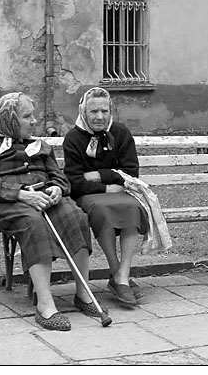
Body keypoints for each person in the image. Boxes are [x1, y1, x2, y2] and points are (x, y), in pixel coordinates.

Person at [0, 92, 111, 331]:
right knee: (33, 222)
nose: (34, 121)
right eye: (27, 116)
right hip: (4, 202)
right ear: (9, 120)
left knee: (75, 216)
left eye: (33, 115)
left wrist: (57, 188)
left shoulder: (39, 145)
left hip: (43, 197)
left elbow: (60, 177)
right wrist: (22, 194)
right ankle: (45, 306)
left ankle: (84, 294)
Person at [63, 87, 149, 307]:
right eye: (94, 111)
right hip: (89, 197)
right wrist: (107, 187)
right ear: (84, 112)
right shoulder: (73, 138)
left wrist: (97, 175)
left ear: (111, 112)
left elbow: (130, 173)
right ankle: (116, 271)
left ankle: (122, 275)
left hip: (119, 193)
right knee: (102, 211)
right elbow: (75, 183)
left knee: (133, 207)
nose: (100, 116)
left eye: (104, 111)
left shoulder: (120, 133)